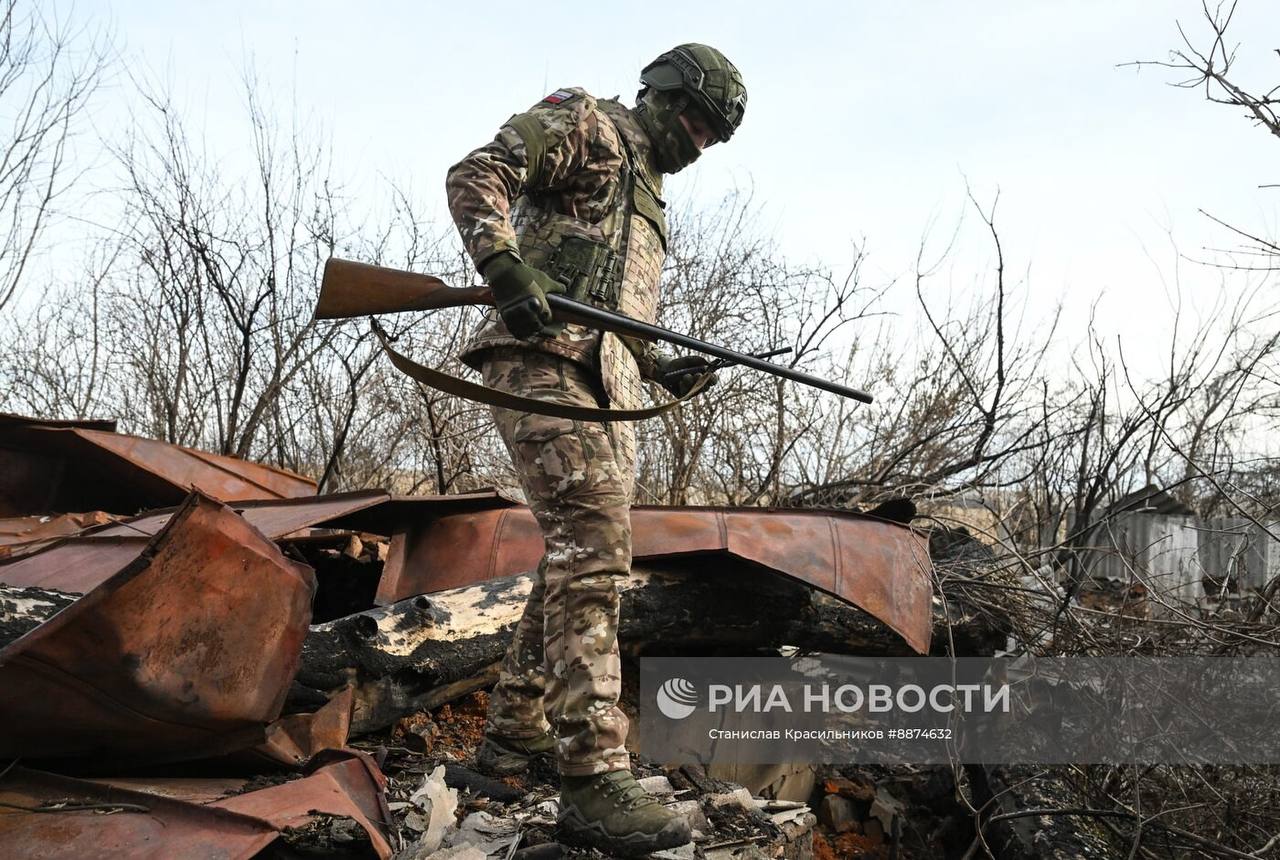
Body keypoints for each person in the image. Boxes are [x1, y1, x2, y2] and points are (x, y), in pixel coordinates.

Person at [445, 43, 746, 857]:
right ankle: (590, 776)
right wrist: (503, 265)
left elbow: (611, 310)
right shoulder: (592, 126)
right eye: (695, 119)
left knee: (574, 554)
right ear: (660, 93)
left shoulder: (649, 201)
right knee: (600, 552)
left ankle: (511, 738)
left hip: (601, 385)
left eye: (714, 136)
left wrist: (656, 367)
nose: (700, 142)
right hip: (538, 363)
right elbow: (476, 173)